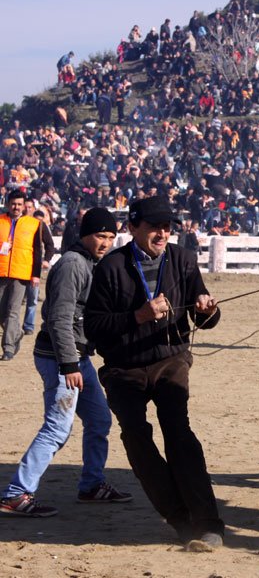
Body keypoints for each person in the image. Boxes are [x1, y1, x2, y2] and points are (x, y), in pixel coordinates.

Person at [84, 195, 224, 552]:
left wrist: (209, 310)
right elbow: (94, 328)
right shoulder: (111, 267)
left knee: (179, 433)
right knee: (137, 440)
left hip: (170, 360)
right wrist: (138, 316)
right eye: (153, 227)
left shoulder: (183, 259)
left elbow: (202, 316)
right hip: (123, 368)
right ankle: (179, 518)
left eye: (167, 227)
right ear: (132, 229)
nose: (162, 234)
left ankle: (208, 524)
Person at [0, 209, 132, 517]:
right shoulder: (73, 264)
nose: (105, 243)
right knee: (57, 429)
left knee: (99, 420)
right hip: (60, 358)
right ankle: (16, 494)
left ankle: (91, 485)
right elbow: (59, 318)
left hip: (76, 357)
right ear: (85, 235)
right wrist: (69, 364)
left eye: (111, 238)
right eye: (101, 236)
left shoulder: (90, 262)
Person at [1, 190, 43, 360]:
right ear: (7, 204)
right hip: (1, 271)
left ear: (24, 205)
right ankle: (16, 333)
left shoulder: (33, 224)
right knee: (2, 312)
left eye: (19, 204)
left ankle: (8, 348)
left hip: (22, 273)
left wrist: (36, 274)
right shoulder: (1, 221)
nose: (16, 207)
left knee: (12, 311)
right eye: (13, 204)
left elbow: (38, 251)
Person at [22, 204, 56, 335]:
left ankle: (28, 325)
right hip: (19, 266)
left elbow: (50, 245)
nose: (28, 209)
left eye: (30, 207)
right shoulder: (20, 224)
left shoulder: (41, 226)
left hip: (34, 267)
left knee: (32, 298)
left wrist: (46, 259)